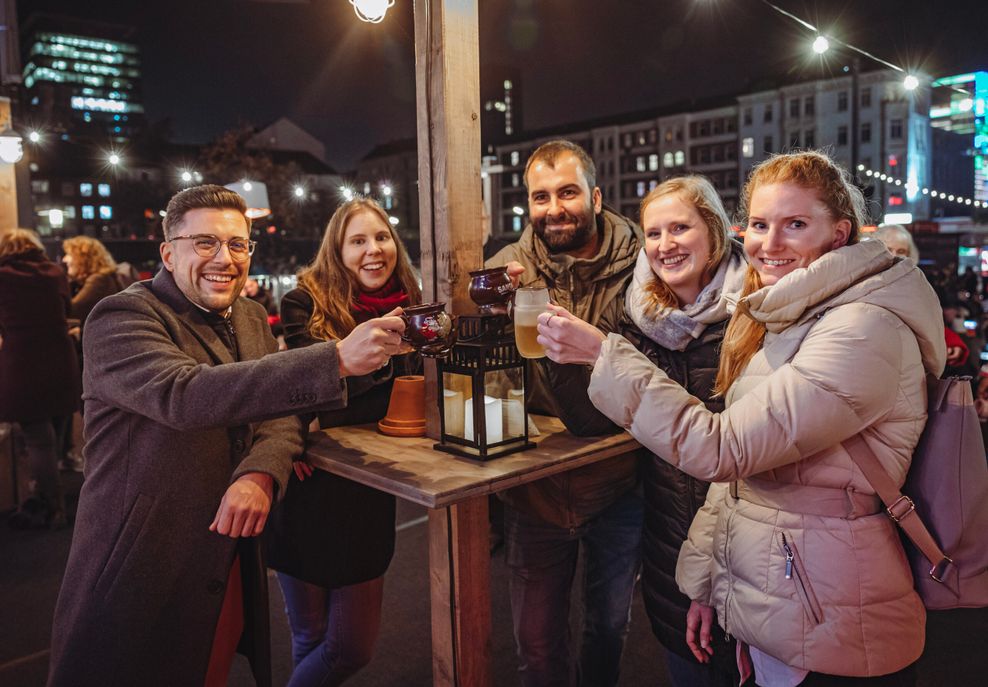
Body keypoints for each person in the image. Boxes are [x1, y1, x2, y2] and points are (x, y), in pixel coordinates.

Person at [539, 151, 945, 686]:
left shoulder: (862, 328)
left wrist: (603, 356)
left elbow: (722, 449)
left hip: (834, 613)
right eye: (758, 224)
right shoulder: (790, 316)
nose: (769, 244)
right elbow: (741, 480)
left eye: (795, 224)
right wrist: (708, 582)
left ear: (839, 233)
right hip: (779, 594)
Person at [48, 185, 408, 687]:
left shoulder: (250, 316)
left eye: (238, 245)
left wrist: (260, 471)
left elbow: (282, 412)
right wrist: (336, 360)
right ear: (168, 253)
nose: (225, 258)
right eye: (205, 243)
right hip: (144, 559)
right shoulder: (121, 317)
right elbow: (185, 395)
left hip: (229, 552)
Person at [485, 139, 644, 686]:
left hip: (619, 484)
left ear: (596, 198)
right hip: (537, 493)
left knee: (608, 628)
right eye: (540, 196)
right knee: (536, 646)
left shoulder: (642, 265)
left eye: (568, 192)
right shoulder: (506, 271)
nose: (554, 208)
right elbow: (493, 379)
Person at [264, 198, 421, 686]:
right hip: (306, 489)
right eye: (358, 241)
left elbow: (405, 397)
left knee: (351, 648)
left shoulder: (412, 304)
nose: (374, 250)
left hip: (367, 492)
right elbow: (305, 391)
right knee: (309, 638)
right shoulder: (303, 304)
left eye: (381, 238)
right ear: (337, 250)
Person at [620, 177, 745, 687]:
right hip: (669, 536)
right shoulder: (636, 316)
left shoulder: (756, 311)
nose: (665, 244)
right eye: (654, 233)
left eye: (680, 228)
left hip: (744, 542)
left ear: (713, 231)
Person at [0, 229, 79, 529]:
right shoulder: (54, 272)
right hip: (60, 356)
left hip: (23, 361)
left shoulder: (3, 275)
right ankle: (53, 497)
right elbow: (67, 308)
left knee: (37, 439)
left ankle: (51, 505)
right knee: (54, 430)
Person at [62, 235, 127, 329]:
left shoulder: (98, 280)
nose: (64, 259)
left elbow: (73, 311)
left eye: (69, 254)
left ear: (83, 258)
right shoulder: (102, 278)